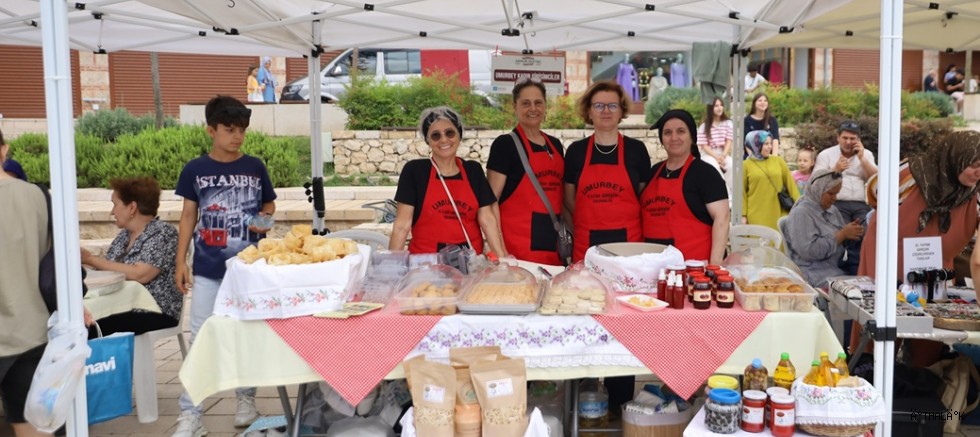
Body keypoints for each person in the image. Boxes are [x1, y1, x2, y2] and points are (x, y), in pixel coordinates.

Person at [172, 95, 278, 436]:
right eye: (229, 130)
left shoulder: (255, 166)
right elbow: (188, 216)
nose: (237, 137)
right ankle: (191, 413)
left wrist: (264, 221)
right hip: (207, 269)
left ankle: (246, 401)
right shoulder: (195, 169)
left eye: (242, 130)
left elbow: (269, 206)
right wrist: (180, 261)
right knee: (202, 338)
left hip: (248, 271)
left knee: (246, 335)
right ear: (211, 130)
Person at [855, 130, 980, 366]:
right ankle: (870, 377)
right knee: (881, 328)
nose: (978, 172)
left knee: (929, 334)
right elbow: (874, 190)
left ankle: (919, 384)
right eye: (974, 164)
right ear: (956, 157)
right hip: (889, 256)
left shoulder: (976, 192)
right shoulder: (912, 173)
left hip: (934, 265)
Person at [390, 106, 507, 257]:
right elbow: (401, 226)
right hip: (427, 265)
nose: (444, 139)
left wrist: (503, 259)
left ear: (459, 135)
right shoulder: (415, 171)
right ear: (428, 140)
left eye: (450, 133)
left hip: (470, 266)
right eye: (436, 135)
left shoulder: (473, 171)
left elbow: (487, 219)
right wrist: (390, 267)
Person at [79, 177, 181, 337]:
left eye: (115, 204)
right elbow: (108, 271)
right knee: (79, 321)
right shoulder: (123, 237)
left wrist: (91, 259)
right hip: (121, 305)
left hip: (154, 310)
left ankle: (99, 361)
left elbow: (140, 274)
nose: (112, 212)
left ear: (132, 207)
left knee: (90, 327)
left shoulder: (163, 233)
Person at [0, 131, 53, 437]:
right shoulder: (37, 195)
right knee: (32, 425)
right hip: (31, 329)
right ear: (5, 150)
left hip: (26, 330)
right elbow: (53, 263)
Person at [563, 81, 649, 262]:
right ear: (589, 111)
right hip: (586, 246)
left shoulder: (637, 150)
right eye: (599, 106)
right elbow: (568, 200)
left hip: (629, 246)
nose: (606, 111)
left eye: (612, 105)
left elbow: (643, 196)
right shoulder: (575, 152)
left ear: (621, 111)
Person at [487, 77, 565, 265]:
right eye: (525, 103)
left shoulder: (555, 145)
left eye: (538, 103)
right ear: (515, 107)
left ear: (545, 106)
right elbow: (491, 202)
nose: (533, 108)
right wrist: (500, 250)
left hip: (552, 242)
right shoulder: (504, 145)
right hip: (516, 246)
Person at [644, 109, 730, 264]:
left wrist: (715, 267)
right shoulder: (653, 172)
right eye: (667, 132)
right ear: (662, 139)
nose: (674, 138)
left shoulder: (706, 173)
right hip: (654, 268)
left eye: (681, 131)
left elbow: (722, 219)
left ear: (692, 137)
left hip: (694, 271)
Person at [813, 120, 876, 274]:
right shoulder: (826, 155)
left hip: (861, 203)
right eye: (845, 138)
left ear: (858, 140)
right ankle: (839, 268)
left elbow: (875, 179)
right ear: (838, 138)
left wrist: (862, 159)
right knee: (843, 232)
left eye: (852, 139)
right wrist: (835, 169)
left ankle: (859, 269)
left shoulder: (866, 154)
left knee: (866, 232)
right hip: (836, 203)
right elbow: (815, 181)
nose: (848, 142)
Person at [783, 169, 864, 288]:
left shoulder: (831, 210)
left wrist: (852, 232)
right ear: (818, 190)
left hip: (835, 267)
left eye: (836, 194)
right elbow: (809, 251)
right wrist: (841, 235)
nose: (834, 198)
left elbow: (843, 239)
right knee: (858, 290)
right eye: (831, 194)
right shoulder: (801, 213)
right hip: (813, 272)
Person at [742, 130, 799, 231]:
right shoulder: (746, 165)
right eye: (765, 144)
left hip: (778, 212)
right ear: (755, 145)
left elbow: (791, 186)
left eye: (770, 143)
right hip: (755, 214)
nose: (770, 147)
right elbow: (742, 192)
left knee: (778, 243)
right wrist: (743, 215)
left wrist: (800, 206)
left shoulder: (778, 161)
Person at [696, 97, 734, 196]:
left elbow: (729, 141)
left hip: (722, 153)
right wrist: (716, 157)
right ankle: (725, 194)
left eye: (721, 105)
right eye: (716, 106)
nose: (719, 108)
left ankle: (732, 194)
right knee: (714, 167)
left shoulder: (728, 123)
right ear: (711, 108)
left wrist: (723, 156)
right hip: (708, 154)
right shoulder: (704, 126)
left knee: (731, 165)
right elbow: (704, 145)